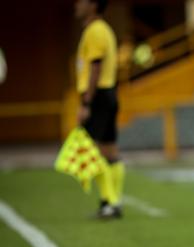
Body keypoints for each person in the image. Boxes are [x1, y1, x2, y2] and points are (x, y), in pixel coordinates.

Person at [75, 0, 124, 219]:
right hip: (109, 92)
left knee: (92, 151)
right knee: (110, 151)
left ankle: (111, 202)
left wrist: (86, 103)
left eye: (82, 2)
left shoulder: (94, 31)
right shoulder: (105, 30)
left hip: (98, 96)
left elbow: (95, 67)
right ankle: (112, 202)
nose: (76, 5)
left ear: (93, 5)